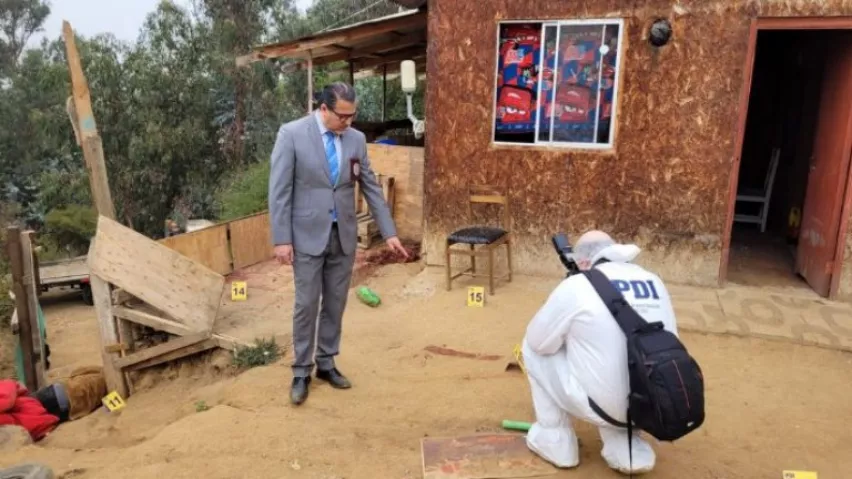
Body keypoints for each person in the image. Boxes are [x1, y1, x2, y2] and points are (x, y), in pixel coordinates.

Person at [268, 82, 409, 406]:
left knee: (335, 303)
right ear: (324, 109)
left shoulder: (356, 139)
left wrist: (389, 232)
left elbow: (370, 187)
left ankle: (326, 363)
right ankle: (301, 370)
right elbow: (279, 191)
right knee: (306, 304)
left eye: (352, 116)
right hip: (305, 234)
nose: (348, 122)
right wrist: (282, 239)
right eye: (342, 116)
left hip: (343, 233)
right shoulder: (292, 134)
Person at [521, 230, 678, 475]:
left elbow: (538, 341)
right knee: (621, 353)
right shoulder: (653, 279)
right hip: (651, 403)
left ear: (582, 261)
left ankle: (556, 442)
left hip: (602, 406)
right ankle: (628, 449)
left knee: (532, 347)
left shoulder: (577, 285)